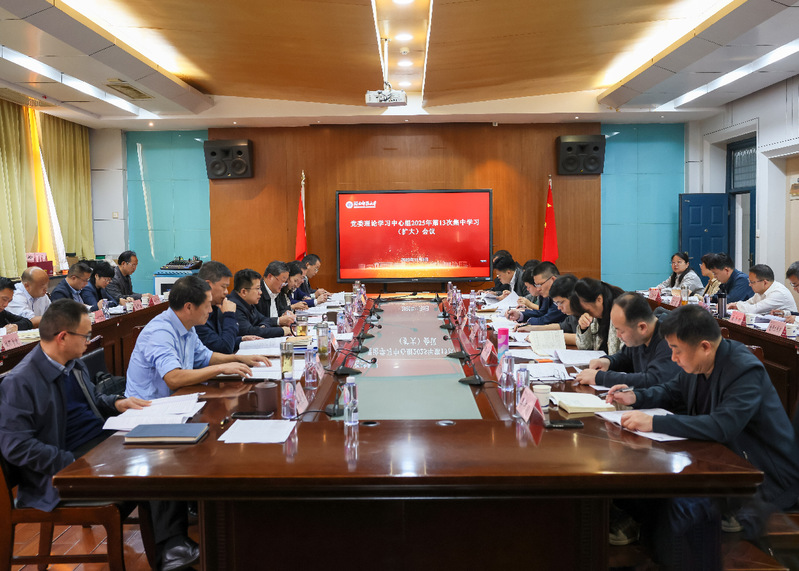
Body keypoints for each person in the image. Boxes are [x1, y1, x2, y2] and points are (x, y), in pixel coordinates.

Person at [0, 300, 204, 571]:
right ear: (63, 337)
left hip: (100, 443)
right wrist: (70, 464)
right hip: (63, 469)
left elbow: (92, 399)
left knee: (169, 447)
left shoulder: (72, 363)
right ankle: (172, 552)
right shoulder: (21, 381)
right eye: (85, 335)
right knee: (156, 465)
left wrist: (118, 402)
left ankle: (172, 550)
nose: (89, 341)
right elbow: (16, 446)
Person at [606, 304, 799, 547]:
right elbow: (671, 391)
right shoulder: (698, 362)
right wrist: (636, 396)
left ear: (705, 346)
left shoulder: (744, 369)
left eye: (676, 350)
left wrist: (655, 422)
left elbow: (722, 426)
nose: (673, 358)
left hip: (763, 478)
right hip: (721, 463)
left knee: (675, 502)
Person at [125, 275, 270, 400]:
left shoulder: (187, 325)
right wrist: (221, 368)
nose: (210, 310)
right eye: (207, 305)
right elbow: (173, 378)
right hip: (149, 409)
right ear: (188, 307)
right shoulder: (160, 332)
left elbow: (205, 356)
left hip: (178, 399)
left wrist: (238, 358)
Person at [576, 292, 680, 388]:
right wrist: (607, 361)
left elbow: (653, 380)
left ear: (642, 327)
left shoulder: (670, 341)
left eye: (621, 331)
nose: (618, 335)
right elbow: (625, 357)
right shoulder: (640, 337)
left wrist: (600, 378)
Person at [195, 261, 262, 354]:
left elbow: (219, 340)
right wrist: (229, 315)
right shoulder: (196, 313)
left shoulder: (216, 306)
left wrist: (241, 339)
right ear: (208, 285)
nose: (226, 292)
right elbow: (224, 348)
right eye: (223, 287)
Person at [229, 269, 290, 339]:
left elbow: (264, 319)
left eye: (260, 288)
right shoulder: (233, 306)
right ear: (244, 292)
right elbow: (249, 332)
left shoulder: (248, 302)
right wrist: (282, 331)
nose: (260, 292)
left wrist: (263, 327)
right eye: (257, 288)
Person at [573, 277, 624, 355]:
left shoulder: (622, 313)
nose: (587, 314)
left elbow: (626, 355)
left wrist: (608, 361)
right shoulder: (597, 313)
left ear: (599, 299)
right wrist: (583, 329)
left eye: (588, 310)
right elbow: (584, 348)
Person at [506, 262, 565, 329]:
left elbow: (548, 320)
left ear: (553, 280)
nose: (538, 289)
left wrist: (528, 323)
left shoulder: (562, 294)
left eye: (540, 284)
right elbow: (541, 312)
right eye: (536, 285)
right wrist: (520, 315)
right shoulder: (547, 293)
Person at [727, 264, 798, 315]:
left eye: (752, 282)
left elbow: (754, 310)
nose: (749, 285)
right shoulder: (760, 291)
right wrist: (735, 304)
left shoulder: (779, 293)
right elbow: (749, 303)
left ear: (765, 283)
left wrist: (737, 305)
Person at [256, 261, 295, 327]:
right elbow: (259, 321)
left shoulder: (276, 290)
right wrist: (278, 321)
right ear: (270, 277)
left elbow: (279, 311)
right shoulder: (257, 294)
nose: (283, 285)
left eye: (285, 282)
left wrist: (284, 313)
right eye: (282, 281)